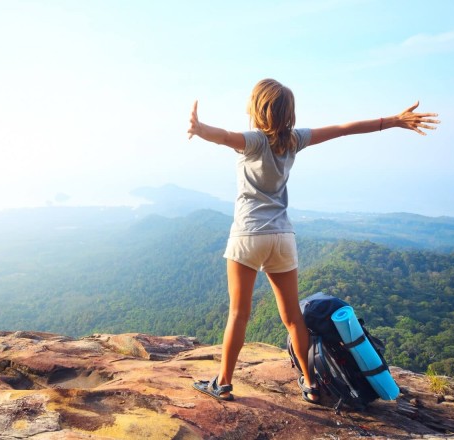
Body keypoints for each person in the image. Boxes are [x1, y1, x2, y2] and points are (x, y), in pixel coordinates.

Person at [187, 78, 440, 403]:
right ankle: (311, 384)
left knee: (239, 314)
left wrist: (199, 127)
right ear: (288, 113)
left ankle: (222, 383)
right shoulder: (294, 140)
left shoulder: (253, 141)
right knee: (293, 317)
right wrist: (393, 121)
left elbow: (223, 137)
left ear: (257, 109)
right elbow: (342, 128)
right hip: (282, 237)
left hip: (249, 234)